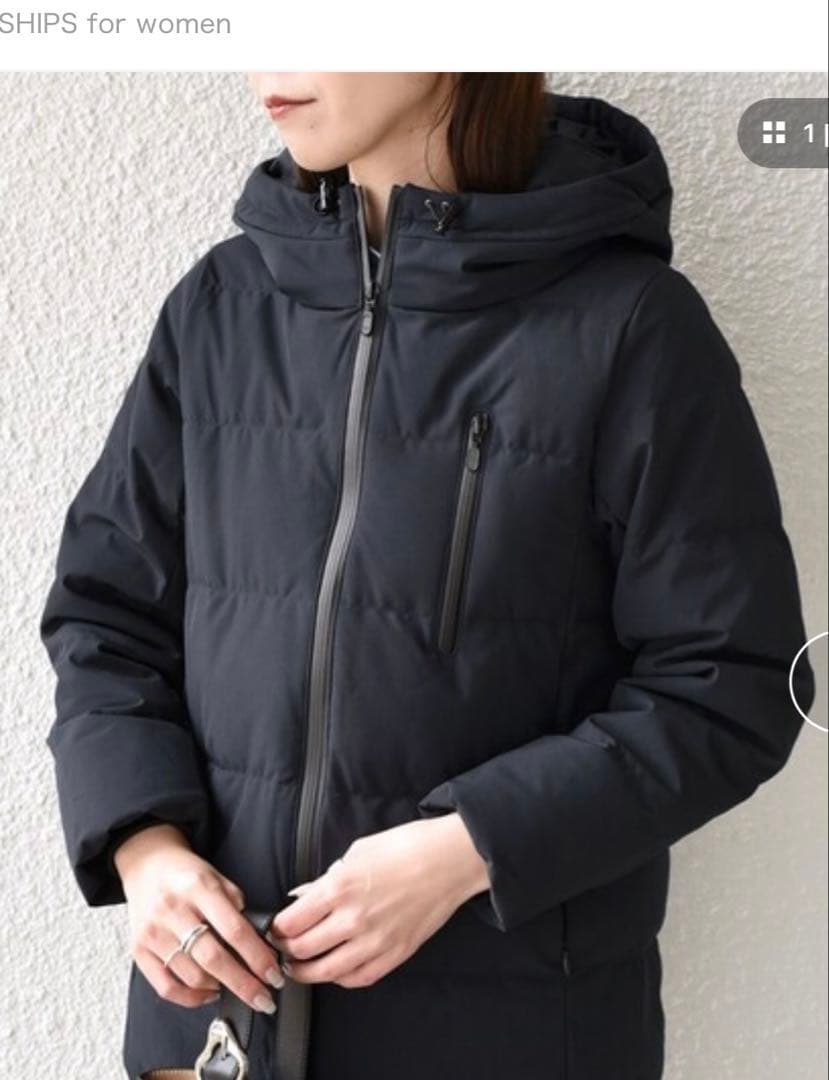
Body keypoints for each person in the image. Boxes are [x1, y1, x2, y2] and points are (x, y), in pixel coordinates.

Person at [40, 73, 815, 1080]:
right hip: (213, 1032)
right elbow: (105, 616)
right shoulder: (221, 307)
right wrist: (145, 850)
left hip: (513, 1032)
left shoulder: (630, 327)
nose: (268, 62)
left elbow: (736, 681)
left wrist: (467, 849)